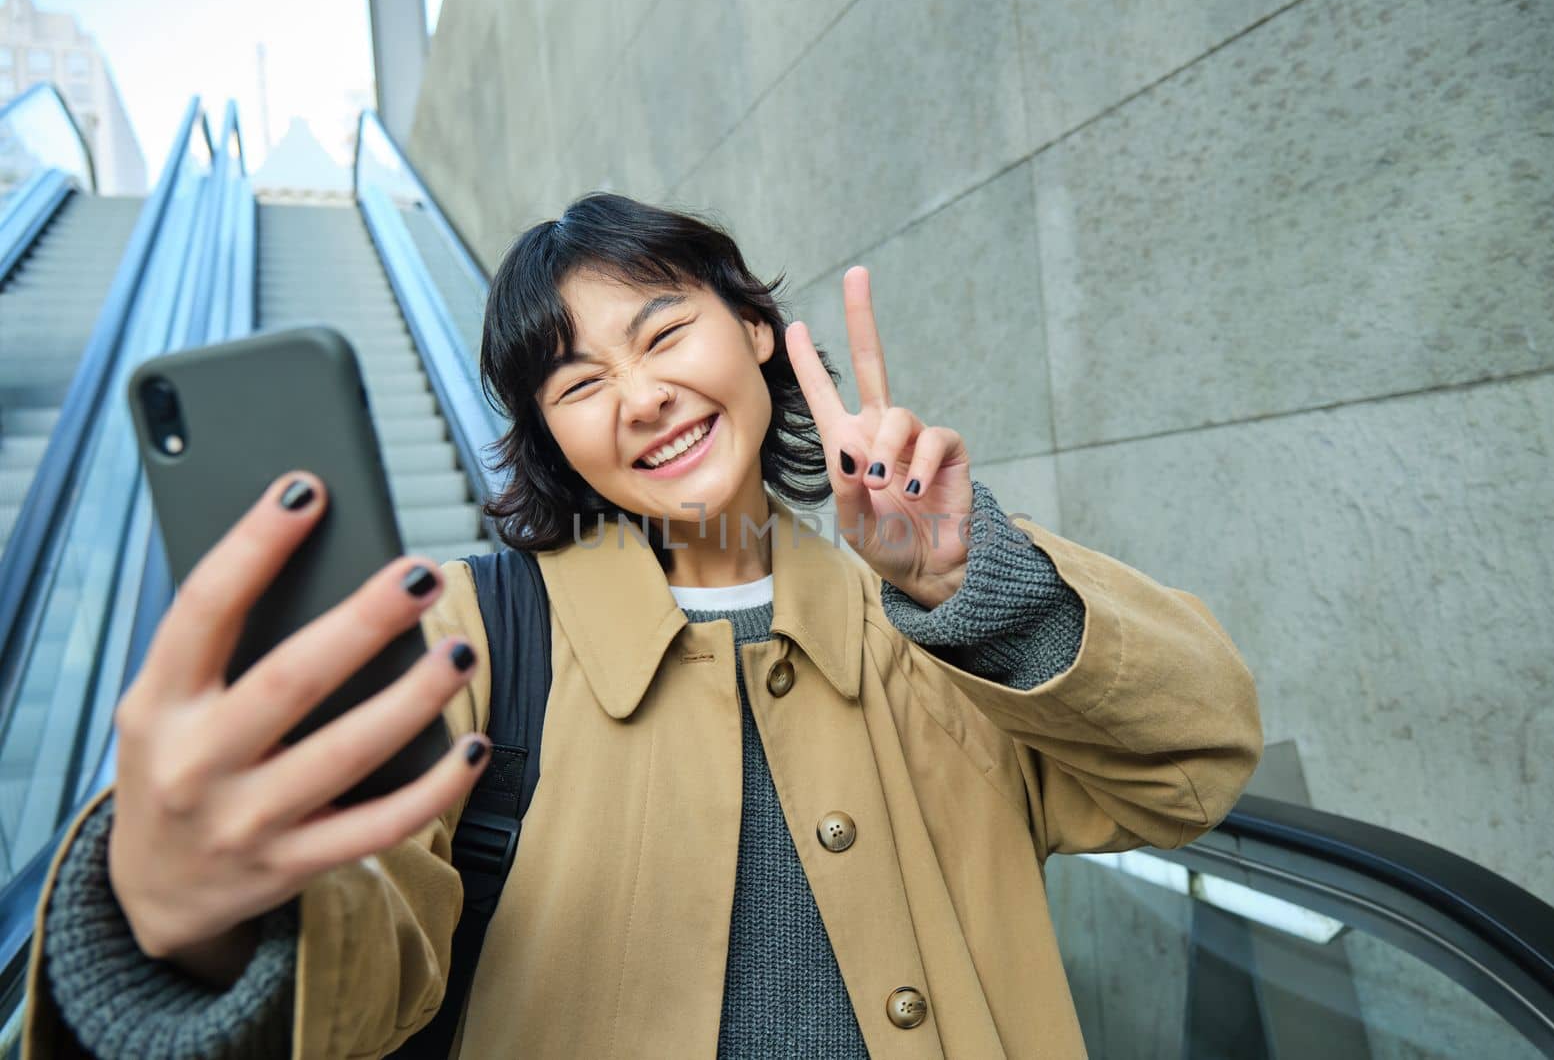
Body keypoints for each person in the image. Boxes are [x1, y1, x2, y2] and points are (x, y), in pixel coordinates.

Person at [24, 193, 1262, 1058]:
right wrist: (201, 921)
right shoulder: (469, 635)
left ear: (759, 332)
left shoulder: (934, 625)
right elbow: (368, 963)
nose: (642, 395)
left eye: (664, 330)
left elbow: (1191, 761)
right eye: (577, 383)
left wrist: (971, 575)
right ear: (549, 436)